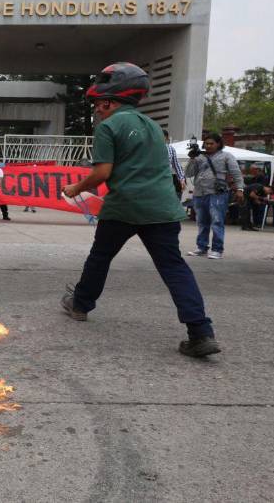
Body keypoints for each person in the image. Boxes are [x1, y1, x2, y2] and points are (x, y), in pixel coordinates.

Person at [60, 62, 219, 358]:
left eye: (98, 104)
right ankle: (201, 332)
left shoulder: (109, 127)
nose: (97, 110)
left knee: (100, 257)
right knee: (174, 268)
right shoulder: (153, 128)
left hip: (124, 207)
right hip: (163, 209)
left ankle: (80, 305)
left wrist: (75, 188)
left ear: (109, 100)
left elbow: (103, 172)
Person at [185, 133, 244, 259]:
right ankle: (202, 247)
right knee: (201, 222)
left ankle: (217, 249)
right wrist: (192, 158)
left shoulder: (226, 156)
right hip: (199, 193)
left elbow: (236, 173)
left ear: (218, 144)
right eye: (206, 143)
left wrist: (240, 189)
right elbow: (188, 173)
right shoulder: (200, 157)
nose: (209, 146)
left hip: (217, 193)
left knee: (217, 221)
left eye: (212, 143)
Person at [164, 129, 185, 200]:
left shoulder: (170, 148)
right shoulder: (151, 148)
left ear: (166, 138)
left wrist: (181, 179)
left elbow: (176, 164)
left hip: (167, 178)